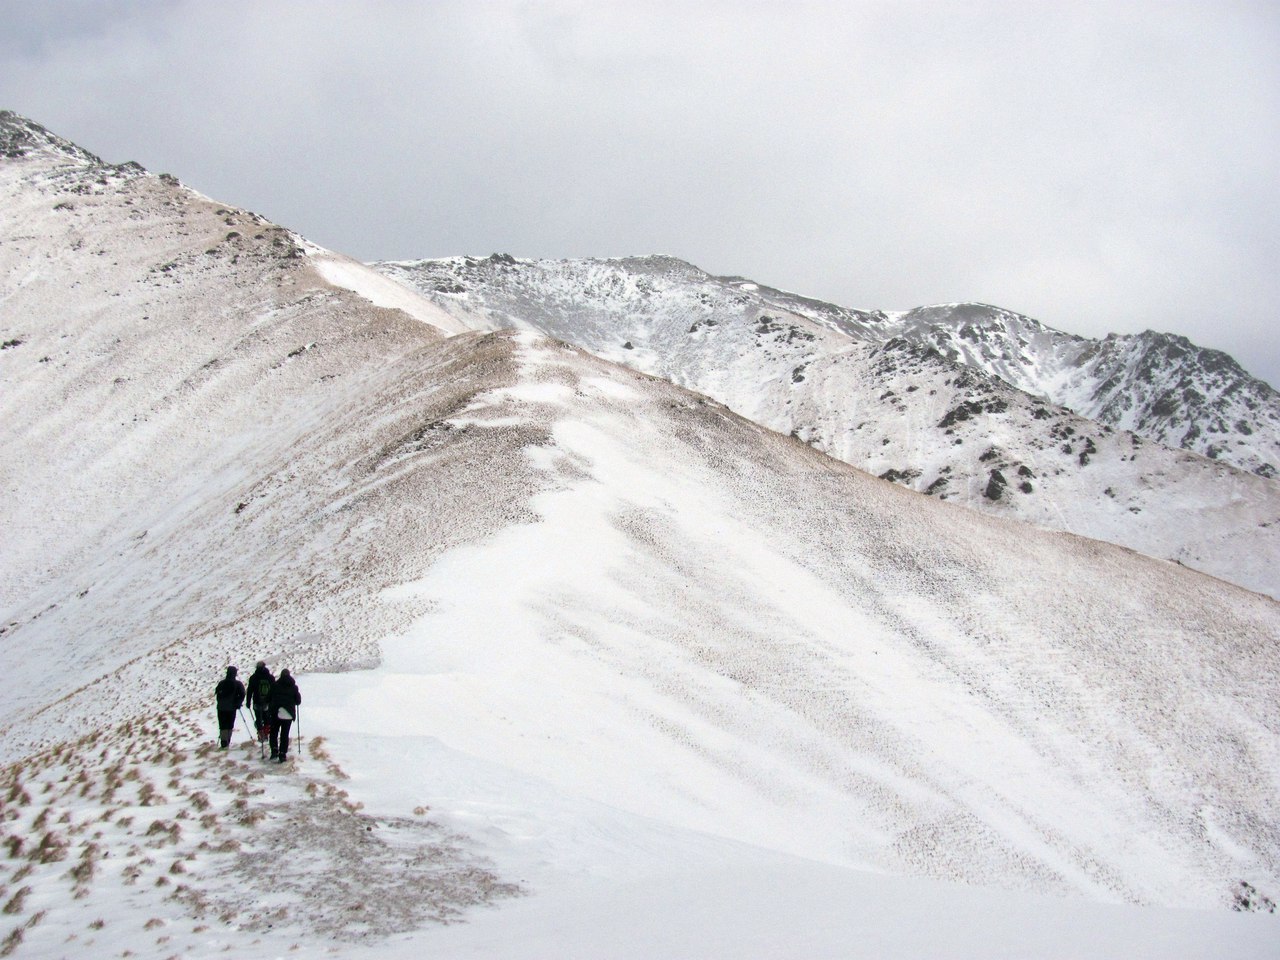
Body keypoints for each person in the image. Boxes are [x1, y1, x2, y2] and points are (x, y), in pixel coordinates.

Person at [268, 668, 301, 763]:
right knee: (284, 734)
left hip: (276, 712)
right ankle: (282, 754)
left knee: (273, 732)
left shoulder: (275, 685)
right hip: (288, 714)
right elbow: (298, 701)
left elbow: (268, 698)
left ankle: (274, 750)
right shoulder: (294, 687)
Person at [214, 665, 245, 749]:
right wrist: (238, 703)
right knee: (230, 724)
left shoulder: (221, 683)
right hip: (232, 708)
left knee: (222, 724)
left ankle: (224, 741)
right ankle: (227, 740)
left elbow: (217, 695)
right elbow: (242, 694)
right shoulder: (238, 684)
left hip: (221, 708)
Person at [244, 660, 275, 743]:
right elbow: (274, 690)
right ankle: (266, 734)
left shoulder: (253, 677)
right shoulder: (270, 677)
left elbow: (250, 690)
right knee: (267, 718)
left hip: (257, 701)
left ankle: (260, 734)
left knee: (258, 718)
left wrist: (248, 701)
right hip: (268, 702)